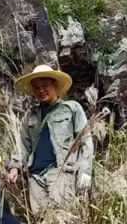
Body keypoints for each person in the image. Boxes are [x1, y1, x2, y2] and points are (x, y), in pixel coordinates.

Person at [6, 64, 94, 213]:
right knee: (41, 222)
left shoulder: (71, 108)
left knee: (62, 220)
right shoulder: (30, 116)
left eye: (45, 85)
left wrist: (85, 171)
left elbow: (85, 140)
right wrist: (14, 168)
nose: (41, 90)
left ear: (55, 85)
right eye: (36, 87)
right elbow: (22, 145)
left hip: (61, 172)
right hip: (35, 177)